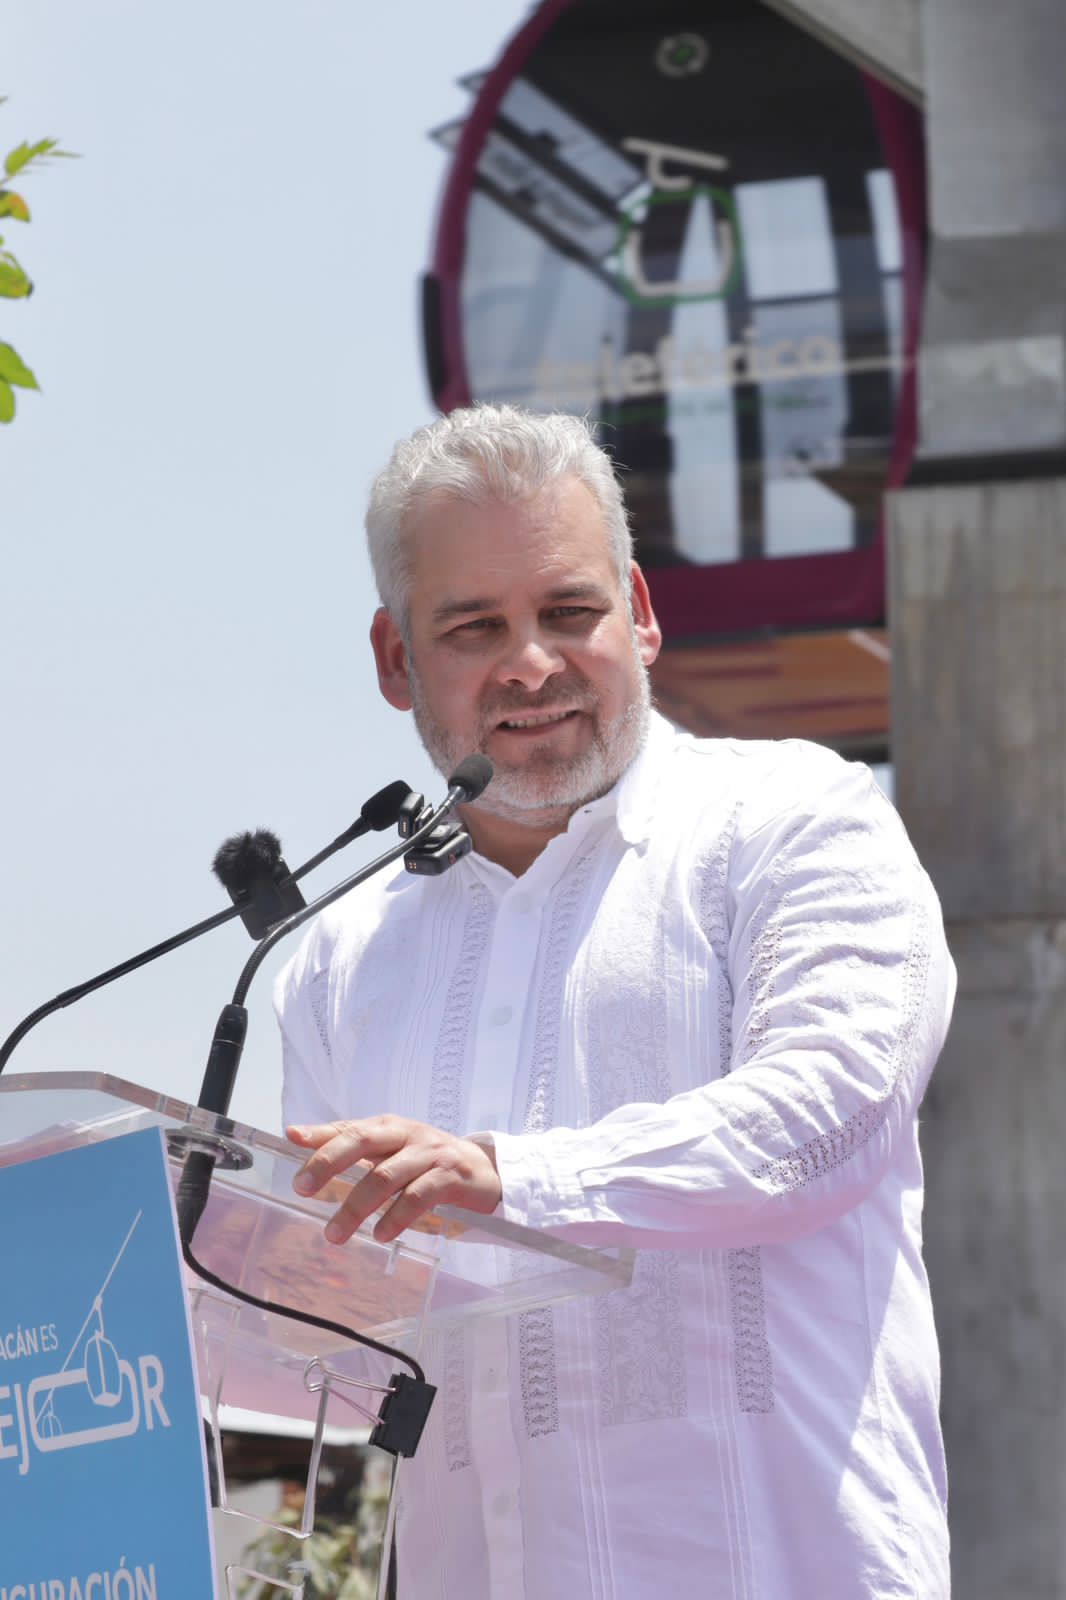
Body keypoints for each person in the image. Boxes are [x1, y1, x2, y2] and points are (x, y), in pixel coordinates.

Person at [274, 403, 955, 1600]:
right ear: (394, 659)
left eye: (568, 611)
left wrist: (516, 1179)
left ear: (638, 611)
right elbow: (337, 1327)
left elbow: (831, 1114)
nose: (530, 664)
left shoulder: (793, 823)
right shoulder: (342, 956)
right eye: (474, 627)